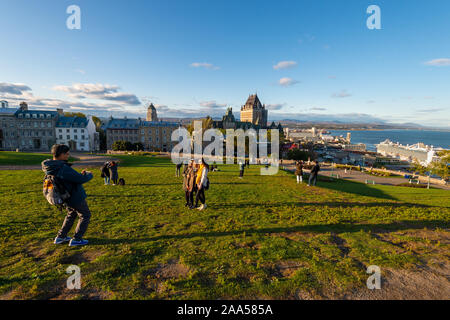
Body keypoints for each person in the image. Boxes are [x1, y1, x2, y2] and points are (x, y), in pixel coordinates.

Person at [42, 144, 93, 247]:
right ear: (61, 154)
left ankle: (60, 237)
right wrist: (89, 175)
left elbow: (71, 178)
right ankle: (77, 239)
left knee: (71, 214)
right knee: (85, 215)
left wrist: (79, 175)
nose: (68, 155)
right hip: (74, 196)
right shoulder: (61, 167)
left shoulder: (51, 167)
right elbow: (80, 179)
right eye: (67, 153)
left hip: (66, 196)